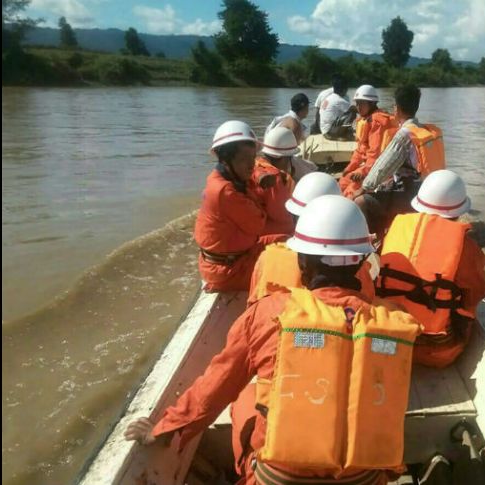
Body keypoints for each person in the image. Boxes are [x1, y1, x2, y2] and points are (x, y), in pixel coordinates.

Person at [125, 195, 422, 485]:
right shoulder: (395, 321)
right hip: (364, 478)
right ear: (361, 263)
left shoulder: (267, 313)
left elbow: (214, 388)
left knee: (245, 399)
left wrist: (165, 428)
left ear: (302, 263)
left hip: (279, 479)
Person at [376, 169, 485, 368]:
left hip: (382, 342)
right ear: (459, 210)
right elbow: (476, 292)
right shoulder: (465, 245)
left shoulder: (396, 227)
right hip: (432, 352)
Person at [247, 172, 377, 307]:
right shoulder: (354, 265)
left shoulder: (269, 257)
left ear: (294, 217)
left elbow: (253, 310)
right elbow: (367, 303)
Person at [193, 120, 287, 292]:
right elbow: (259, 223)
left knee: (287, 239)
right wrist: (256, 186)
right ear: (226, 160)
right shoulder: (225, 191)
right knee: (289, 266)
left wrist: (258, 175)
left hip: (236, 256)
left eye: (252, 158)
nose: (251, 164)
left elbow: (253, 169)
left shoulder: (221, 177)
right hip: (229, 270)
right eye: (244, 159)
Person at [350, 85, 445, 240]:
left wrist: (363, 188)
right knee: (384, 188)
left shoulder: (405, 134)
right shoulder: (429, 131)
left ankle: (374, 241)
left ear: (397, 108)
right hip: (432, 191)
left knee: (360, 201)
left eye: (394, 105)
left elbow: (382, 168)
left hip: (414, 195)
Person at [338, 85, 397, 198]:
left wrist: (362, 172)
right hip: (368, 166)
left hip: (378, 169)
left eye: (361, 103)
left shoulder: (377, 123)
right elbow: (361, 149)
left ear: (372, 104)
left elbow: (375, 156)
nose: (358, 107)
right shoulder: (366, 120)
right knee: (342, 182)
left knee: (350, 192)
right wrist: (350, 167)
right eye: (357, 103)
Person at [253, 127, 299, 236]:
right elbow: (283, 220)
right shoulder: (275, 179)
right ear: (283, 158)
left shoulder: (254, 165)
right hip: (264, 234)